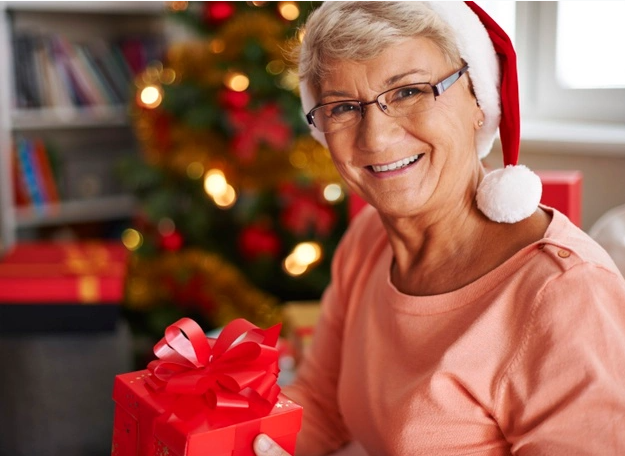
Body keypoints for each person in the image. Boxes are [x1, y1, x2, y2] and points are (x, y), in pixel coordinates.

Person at [253, 2, 625, 455]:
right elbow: (322, 406)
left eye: (409, 91)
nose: (376, 138)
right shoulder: (368, 240)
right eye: (344, 107)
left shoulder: (566, 294)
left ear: (478, 102)